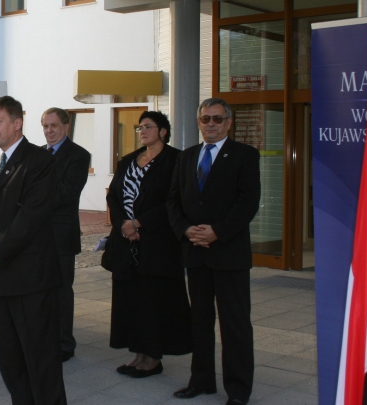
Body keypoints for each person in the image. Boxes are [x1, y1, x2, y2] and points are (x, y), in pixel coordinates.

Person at [0, 96, 66, 405]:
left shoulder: (39, 161)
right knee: (10, 360)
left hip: (30, 279)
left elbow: (31, 218)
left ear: (17, 123)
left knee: (40, 360)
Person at [167, 98, 261, 405]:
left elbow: (248, 202)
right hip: (195, 253)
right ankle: (201, 380)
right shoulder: (186, 157)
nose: (211, 124)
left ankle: (238, 390)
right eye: (205, 118)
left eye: (217, 119)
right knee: (200, 321)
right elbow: (173, 200)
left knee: (235, 325)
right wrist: (185, 229)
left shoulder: (245, 155)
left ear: (228, 122)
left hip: (229, 254)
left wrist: (217, 231)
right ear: (198, 122)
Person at [105, 111, 191, 378]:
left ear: (163, 131)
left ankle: (153, 358)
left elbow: (174, 201)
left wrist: (139, 223)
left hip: (158, 244)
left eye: (148, 127)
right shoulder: (128, 160)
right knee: (132, 301)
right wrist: (124, 224)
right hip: (127, 244)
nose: (142, 131)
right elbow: (113, 196)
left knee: (153, 301)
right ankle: (138, 354)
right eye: (140, 127)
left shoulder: (176, 160)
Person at [40, 108, 90, 363]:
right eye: (45, 126)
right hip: (36, 235)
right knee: (40, 291)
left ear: (66, 127)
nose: (49, 131)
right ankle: (44, 339)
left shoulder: (79, 156)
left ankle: (64, 344)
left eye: (54, 126)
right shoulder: (37, 154)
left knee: (61, 291)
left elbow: (67, 192)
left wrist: (34, 196)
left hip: (61, 235)